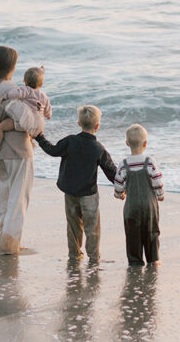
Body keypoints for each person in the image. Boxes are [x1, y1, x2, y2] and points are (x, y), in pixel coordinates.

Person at [0, 45, 46, 255]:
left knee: (3, 195)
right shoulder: (9, 88)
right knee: (18, 197)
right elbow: (24, 119)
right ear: (11, 66)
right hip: (17, 150)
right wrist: (38, 127)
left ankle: (3, 235)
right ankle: (10, 241)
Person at [34, 105, 117, 261]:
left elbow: (52, 150)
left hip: (70, 192)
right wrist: (122, 187)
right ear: (97, 126)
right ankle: (93, 257)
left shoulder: (70, 141)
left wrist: (40, 138)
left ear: (79, 123)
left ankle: (74, 254)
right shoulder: (98, 148)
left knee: (73, 226)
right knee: (92, 228)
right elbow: (111, 172)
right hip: (89, 195)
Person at [113, 124, 164, 266]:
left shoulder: (123, 164)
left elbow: (118, 185)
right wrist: (160, 195)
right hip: (150, 206)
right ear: (145, 143)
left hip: (131, 206)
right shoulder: (150, 162)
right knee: (152, 232)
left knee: (132, 235)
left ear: (127, 143)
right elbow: (157, 181)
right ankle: (154, 259)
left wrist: (120, 194)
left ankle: (135, 261)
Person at [0, 66, 52, 151]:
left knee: (0, 127)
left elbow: (16, 93)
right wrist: (48, 115)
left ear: (25, 81)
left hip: (24, 122)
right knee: (29, 126)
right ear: (41, 83)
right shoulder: (44, 96)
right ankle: (30, 141)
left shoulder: (26, 90)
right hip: (38, 126)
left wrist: (5, 97)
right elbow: (48, 110)